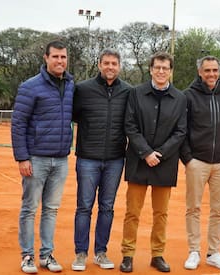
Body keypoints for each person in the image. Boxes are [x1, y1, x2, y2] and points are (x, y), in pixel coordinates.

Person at [120, 52, 187, 273]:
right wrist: (146, 152)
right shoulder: (136, 93)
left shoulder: (180, 98)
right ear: (150, 69)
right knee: (133, 212)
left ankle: (157, 255)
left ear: (170, 71)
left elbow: (181, 131)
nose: (160, 71)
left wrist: (160, 153)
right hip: (139, 161)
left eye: (165, 68)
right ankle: (128, 254)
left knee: (161, 213)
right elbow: (129, 125)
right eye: (157, 67)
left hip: (165, 164)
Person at [11, 40, 74, 274]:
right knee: (29, 208)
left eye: (63, 57)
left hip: (60, 160)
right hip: (35, 159)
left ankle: (46, 255)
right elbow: (18, 123)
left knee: (51, 209)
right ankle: (27, 255)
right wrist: (22, 158)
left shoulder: (70, 84)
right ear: (46, 58)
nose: (60, 61)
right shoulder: (31, 86)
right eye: (55, 57)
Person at [71, 49, 131, 271]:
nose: (110, 67)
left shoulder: (128, 91)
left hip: (115, 159)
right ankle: (80, 253)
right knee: (84, 207)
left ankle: (101, 252)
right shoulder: (83, 89)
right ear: (99, 64)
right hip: (87, 158)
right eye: (106, 63)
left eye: (114, 63)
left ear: (119, 66)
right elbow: (74, 115)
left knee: (107, 207)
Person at [180, 56, 220, 270]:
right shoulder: (188, 96)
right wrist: (188, 159)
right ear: (200, 72)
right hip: (197, 162)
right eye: (207, 71)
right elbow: (181, 130)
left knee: (218, 211)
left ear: (219, 72)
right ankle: (194, 251)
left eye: (214, 70)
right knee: (193, 208)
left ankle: (213, 252)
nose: (211, 74)